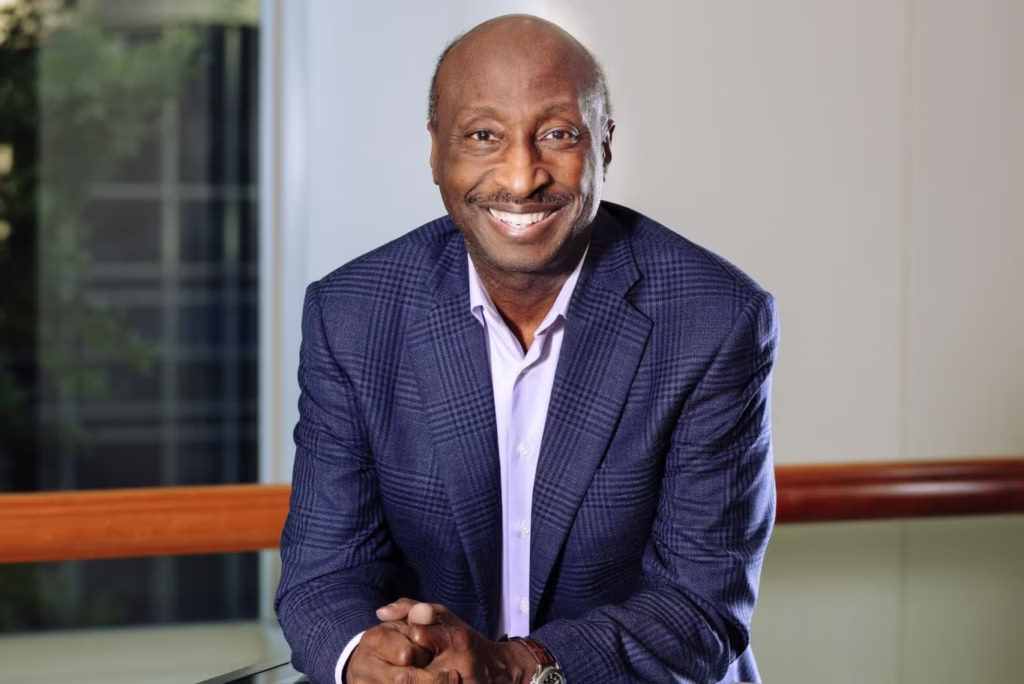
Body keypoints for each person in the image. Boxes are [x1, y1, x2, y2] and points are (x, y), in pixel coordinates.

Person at [275, 14, 778, 684]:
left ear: (603, 145)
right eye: (484, 136)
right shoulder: (353, 315)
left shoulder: (713, 317)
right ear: (435, 150)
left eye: (558, 135)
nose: (521, 176)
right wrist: (365, 657)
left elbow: (697, 608)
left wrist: (516, 667)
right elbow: (323, 576)